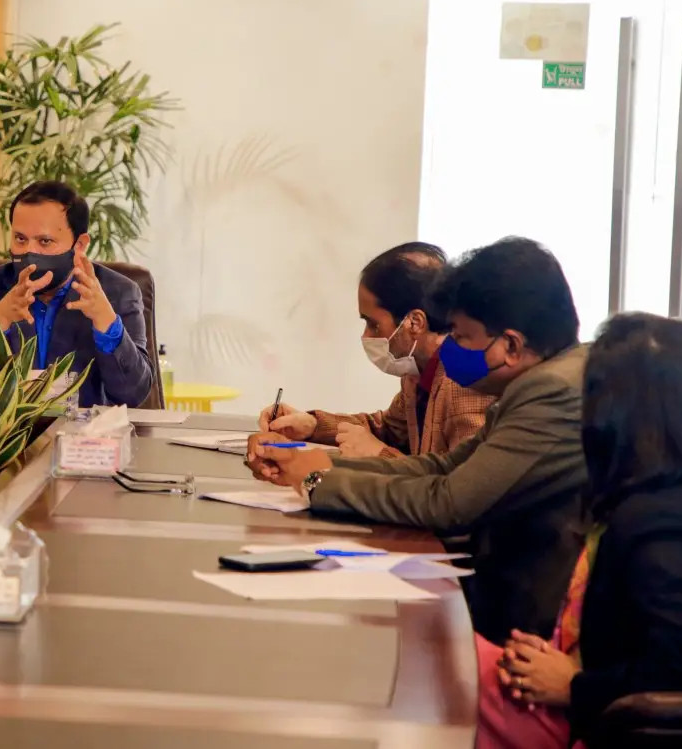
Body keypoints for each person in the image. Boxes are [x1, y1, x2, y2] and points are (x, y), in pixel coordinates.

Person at [248, 237, 588, 645]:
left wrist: (319, 480)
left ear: (511, 345)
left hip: (526, 619)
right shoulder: (537, 382)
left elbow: (451, 501)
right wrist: (320, 464)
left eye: (460, 336)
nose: (449, 346)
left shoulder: (550, 392)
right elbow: (445, 466)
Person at [477, 313, 682, 749]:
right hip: (588, 693)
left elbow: (678, 671)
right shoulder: (656, 499)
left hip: (596, 723)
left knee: (443, 666)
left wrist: (574, 685)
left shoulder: (656, 524)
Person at [259, 242, 493, 458]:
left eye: (373, 324)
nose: (366, 336)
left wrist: (379, 454)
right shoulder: (417, 372)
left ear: (415, 323)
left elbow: (462, 483)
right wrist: (312, 425)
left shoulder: (464, 382)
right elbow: (389, 430)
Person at [0, 180, 155, 408]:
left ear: (79, 245)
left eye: (45, 241)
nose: (29, 252)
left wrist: (106, 322)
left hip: (84, 430)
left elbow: (134, 394)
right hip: (5, 431)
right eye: (20, 239)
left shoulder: (118, 292)